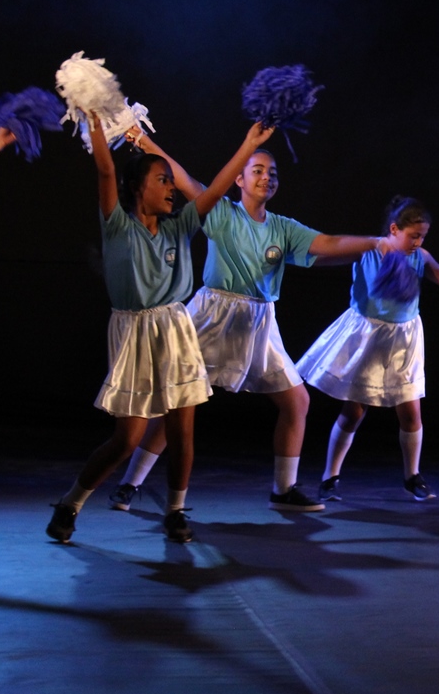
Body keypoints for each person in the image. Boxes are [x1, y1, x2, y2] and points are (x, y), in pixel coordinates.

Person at [105, 137, 390, 513]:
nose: (266, 177)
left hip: (259, 323)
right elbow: (186, 179)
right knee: (176, 405)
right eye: (257, 170)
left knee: (297, 400)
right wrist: (143, 141)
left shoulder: (283, 228)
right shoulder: (222, 212)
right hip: (213, 317)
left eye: (272, 173)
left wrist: (377, 242)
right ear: (239, 179)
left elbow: (329, 243)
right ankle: (130, 483)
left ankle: (283, 489)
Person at [45, 116, 275, 544]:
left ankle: (174, 511)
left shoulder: (180, 226)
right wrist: (95, 118)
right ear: (138, 188)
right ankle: (71, 502)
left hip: (175, 328)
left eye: (172, 180)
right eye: (163, 180)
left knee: (181, 429)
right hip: (133, 332)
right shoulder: (118, 226)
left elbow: (215, 191)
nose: (172, 187)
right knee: (127, 438)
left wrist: (248, 144)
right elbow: (106, 170)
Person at [302, 196, 439, 502]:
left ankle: (413, 476)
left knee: (411, 413)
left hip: (404, 339)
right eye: (413, 235)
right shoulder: (368, 250)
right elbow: (324, 255)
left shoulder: (419, 256)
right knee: (354, 410)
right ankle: (329, 477)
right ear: (394, 229)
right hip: (368, 335)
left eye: (422, 236)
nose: (418, 241)